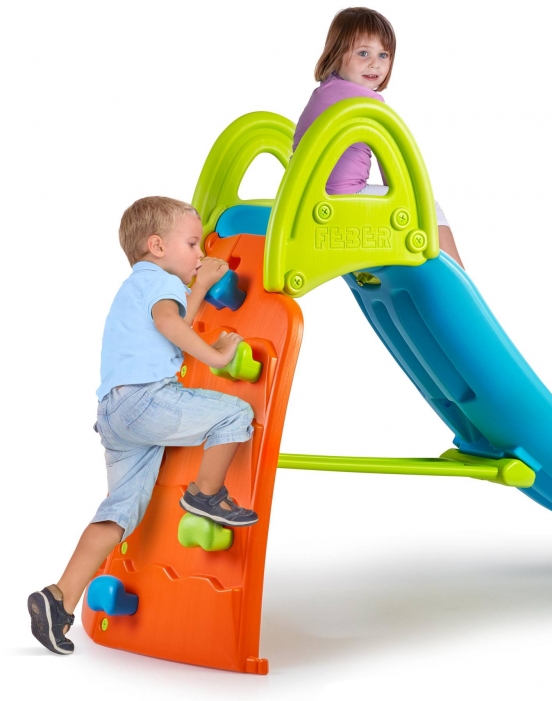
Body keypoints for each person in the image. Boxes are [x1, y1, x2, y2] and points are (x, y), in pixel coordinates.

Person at [28, 196, 258, 655]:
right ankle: (206, 494)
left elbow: (172, 318)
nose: (199, 253)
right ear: (157, 246)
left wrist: (199, 285)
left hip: (114, 415)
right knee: (236, 413)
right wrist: (216, 356)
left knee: (118, 513)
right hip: (144, 400)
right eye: (192, 244)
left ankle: (59, 599)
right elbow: (171, 322)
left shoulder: (139, 284)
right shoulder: (160, 282)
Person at [295, 6, 464, 268]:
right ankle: (456, 274)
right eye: (363, 53)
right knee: (427, 206)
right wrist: (403, 198)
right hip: (345, 200)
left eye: (383, 55)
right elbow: (392, 161)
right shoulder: (369, 103)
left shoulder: (323, 93)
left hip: (305, 198)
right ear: (336, 54)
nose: (375, 63)